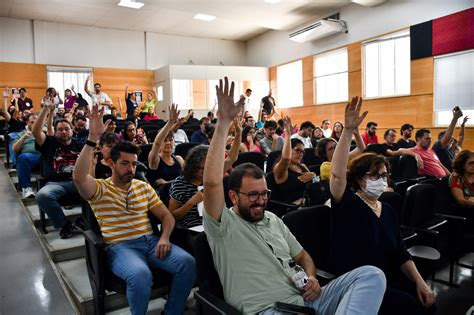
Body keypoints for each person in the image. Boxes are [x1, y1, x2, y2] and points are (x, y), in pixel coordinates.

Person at [202, 77, 386, 314]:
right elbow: (211, 181)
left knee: (371, 275)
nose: (261, 200)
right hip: (269, 309)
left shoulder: (273, 219)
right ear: (233, 196)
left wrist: (311, 277)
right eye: (252, 195)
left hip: (305, 300)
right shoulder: (221, 225)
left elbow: (302, 256)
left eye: (264, 194)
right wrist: (223, 123)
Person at [72, 105, 196, 315]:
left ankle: (172, 311)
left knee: (188, 263)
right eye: (125, 164)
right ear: (111, 163)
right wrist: (92, 138)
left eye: (134, 164)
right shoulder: (99, 188)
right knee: (140, 275)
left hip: (150, 242)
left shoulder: (143, 186)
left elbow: (166, 216)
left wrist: (165, 237)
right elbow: (78, 177)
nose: (131, 169)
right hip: (120, 247)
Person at [329, 96, 435, 315]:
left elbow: (400, 252)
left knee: (427, 301)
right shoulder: (348, 203)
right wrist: (348, 130)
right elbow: (337, 175)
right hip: (361, 284)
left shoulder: (387, 210)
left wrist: (420, 281)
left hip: (390, 276)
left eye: (385, 176)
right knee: (410, 308)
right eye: (375, 175)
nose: (382, 181)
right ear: (359, 178)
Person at [32, 99, 82, 239]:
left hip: (79, 182)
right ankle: (64, 224)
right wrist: (46, 109)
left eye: (67, 129)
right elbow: (36, 131)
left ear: (72, 131)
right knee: (42, 195)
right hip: (56, 184)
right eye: (60, 130)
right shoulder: (49, 142)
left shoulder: (79, 145)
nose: (64, 132)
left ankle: (87, 221)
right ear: (55, 132)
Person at [273, 117, 316, 205]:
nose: (301, 154)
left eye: (302, 151)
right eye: (297, 150)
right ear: (289, 150)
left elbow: (314, 183)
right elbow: (286, 158)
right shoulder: (280, 169)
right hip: (294, 209)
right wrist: (288, 134)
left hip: (311, 202)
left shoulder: (302, 166)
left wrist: (314, 175)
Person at [169, 145, 208, 228]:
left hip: (211, 224)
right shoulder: (180, 183)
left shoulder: (210, 181)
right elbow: (172, 216)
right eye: (199, 168)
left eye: (206, 168)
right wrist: (191, 202)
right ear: (192, 167)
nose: (203, 172)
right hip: (190, 228)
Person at [147, 104, 184, 189]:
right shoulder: (155, 159)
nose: (168, 143)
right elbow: (156, 144)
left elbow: (187, 179)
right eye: (165, 140)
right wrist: (170, 122)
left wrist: (168, 183)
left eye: (170, 140)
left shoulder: (179, 159)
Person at [12, 113, 40, 198]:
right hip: (31, 157)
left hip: (44, 156)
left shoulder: (44, 132)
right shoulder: (21, 134)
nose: (35, 123)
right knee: (23, 158)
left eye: (37, 121)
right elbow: (15, 149)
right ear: (27, 122)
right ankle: (26, 188)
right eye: (32, 122)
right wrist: (23, 138)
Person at [432, 107, 465, 172]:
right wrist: (455, 118)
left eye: (452, 139)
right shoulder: (437, 147)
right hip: (444, 177)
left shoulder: (451, 150)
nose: (452, 141)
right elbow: (448, 136)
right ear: (441, 139)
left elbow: (461, 136)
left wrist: (462, 125)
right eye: (450, 139)